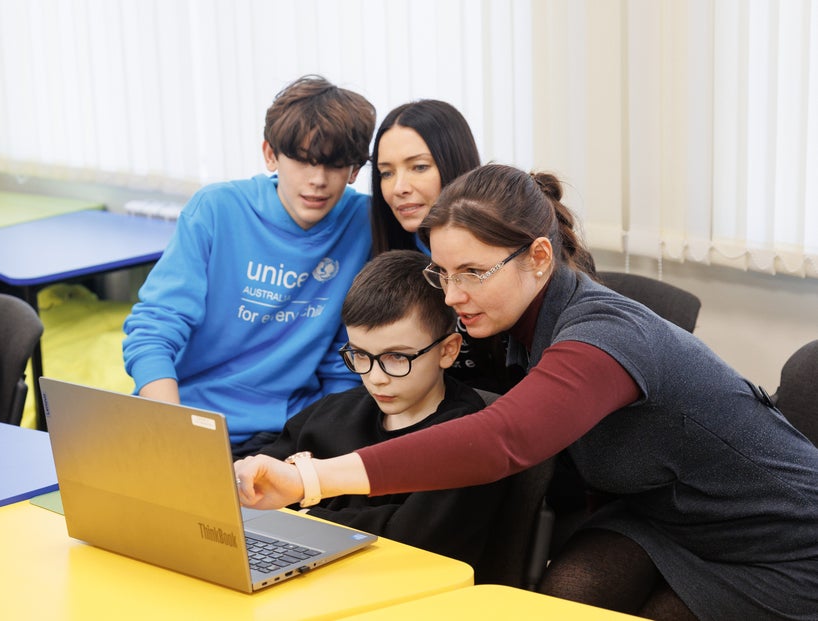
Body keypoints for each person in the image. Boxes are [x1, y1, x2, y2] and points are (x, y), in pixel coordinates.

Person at [235, 164, 818, 620]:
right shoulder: (522, 325)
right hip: (663, 518)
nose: (452, 295)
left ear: (539, 257)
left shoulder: (605, 336)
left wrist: (311, 480)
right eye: (443, 273)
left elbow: (502, 437)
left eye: (472, 273)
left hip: (780, 541)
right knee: (565, 596)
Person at [123, 75, 376, 455]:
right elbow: (154, 330)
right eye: (303, 160)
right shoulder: (216, 209)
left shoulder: (365, 224)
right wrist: (174, 432)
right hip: (187, 420)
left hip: (291, 432)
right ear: (271, 154)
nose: (318, 180)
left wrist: (329, 437)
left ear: (355, 170)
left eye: (335, 165)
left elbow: (345, 357)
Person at [244, 249, 509, 573]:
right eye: (360, 355)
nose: (375, 377)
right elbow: (260, 484)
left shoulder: (468, 438)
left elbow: (413, 540)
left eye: (397, 357)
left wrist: (303, 515)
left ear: (447, 351)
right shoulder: (333, 412)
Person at [369, 99, 524, 394]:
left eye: (419, 167)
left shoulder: (510, 246)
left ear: (454, 163)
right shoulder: (389, 250)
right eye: (386, 173)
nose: (399, 188)